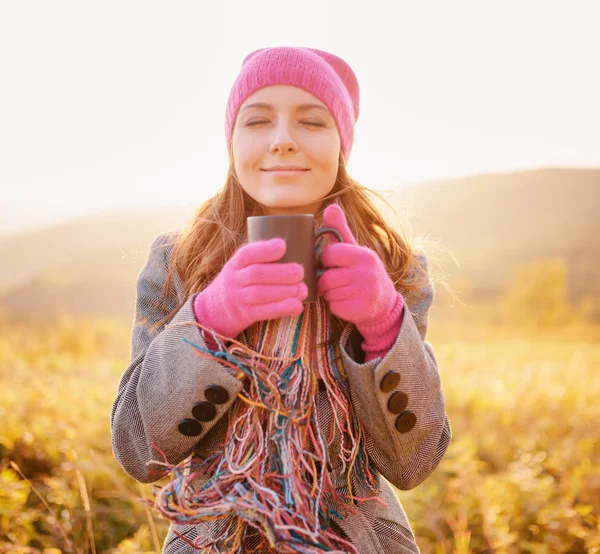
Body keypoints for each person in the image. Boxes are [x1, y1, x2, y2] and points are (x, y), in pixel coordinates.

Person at [110, 46, 452, 554]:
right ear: (231, 142)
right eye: (257, 121)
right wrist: (210, 321)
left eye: (312, 122)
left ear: (342, 144)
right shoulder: (178, 259)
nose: (283, 141)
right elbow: (139, 452)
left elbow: (413, 462)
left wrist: (383, 324)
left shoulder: (391, 263)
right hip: (213, 538)